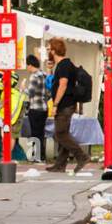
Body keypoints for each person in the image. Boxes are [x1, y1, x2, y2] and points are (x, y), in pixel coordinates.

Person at [47, 37, 89, 173]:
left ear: (54, 51)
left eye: (49, 49)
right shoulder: (62, 65)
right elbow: (53, 83)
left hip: (65, 104)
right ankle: (60, 164)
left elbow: (62, 85)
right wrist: (50, 69)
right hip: (65, 104)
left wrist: (55, 104)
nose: (48, 51)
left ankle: (81, 156)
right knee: (61, 133)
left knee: (60, 133)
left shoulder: (65, 65)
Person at [21, 54, 49, 163]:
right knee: (41, 133)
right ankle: (42, 156)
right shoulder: (44, 74)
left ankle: (36, 156)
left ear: (30, 65)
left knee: (35, 133)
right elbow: (49, 92)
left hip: (35, 108)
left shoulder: (34, 76)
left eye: (27, 66)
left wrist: (23, 89)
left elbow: (31, 92)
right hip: (44, 107)